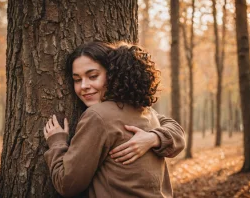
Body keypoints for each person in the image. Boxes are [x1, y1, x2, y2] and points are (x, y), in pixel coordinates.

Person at [43, 41, 185, 197]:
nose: (84, 85)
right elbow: (175, 129)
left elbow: (67, 184)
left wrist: (57, 143)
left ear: (112, 74)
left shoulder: (98, 115)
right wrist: (155, 137)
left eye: (93, 76)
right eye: (77, 79)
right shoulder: (142, 110)